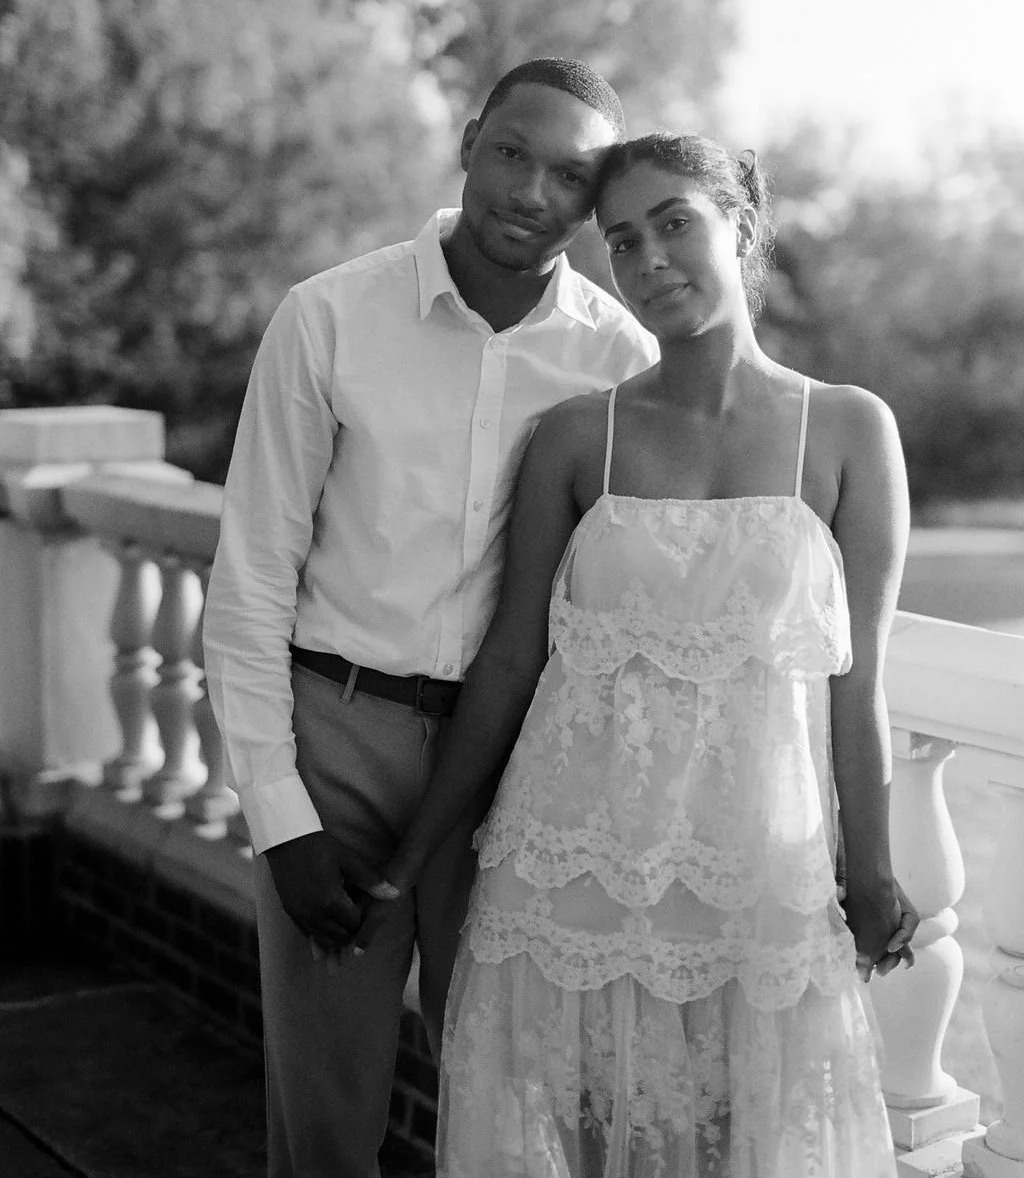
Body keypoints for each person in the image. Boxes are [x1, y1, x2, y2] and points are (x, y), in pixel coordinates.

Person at [366, 132, 919, 1177]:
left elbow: (860, 681)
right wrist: (412, 852)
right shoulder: (580, 437)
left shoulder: (849, 429)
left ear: (742, 228)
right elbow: (509, 666)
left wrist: (875, 868)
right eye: (622, 240)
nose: (650, 258)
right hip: (562, 874)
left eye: (675, 223)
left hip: (756, 878)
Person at [201, 58, 659, 1178]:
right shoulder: (328, 317)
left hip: (517, 767)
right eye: (512, 152)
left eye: (570, 175)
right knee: (324, 1124)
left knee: (510, 1109)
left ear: (593, 205)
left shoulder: (619, 362)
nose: (530, 193)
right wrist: (281, 813)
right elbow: (252, 575)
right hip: (336, 740)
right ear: (467, 142)